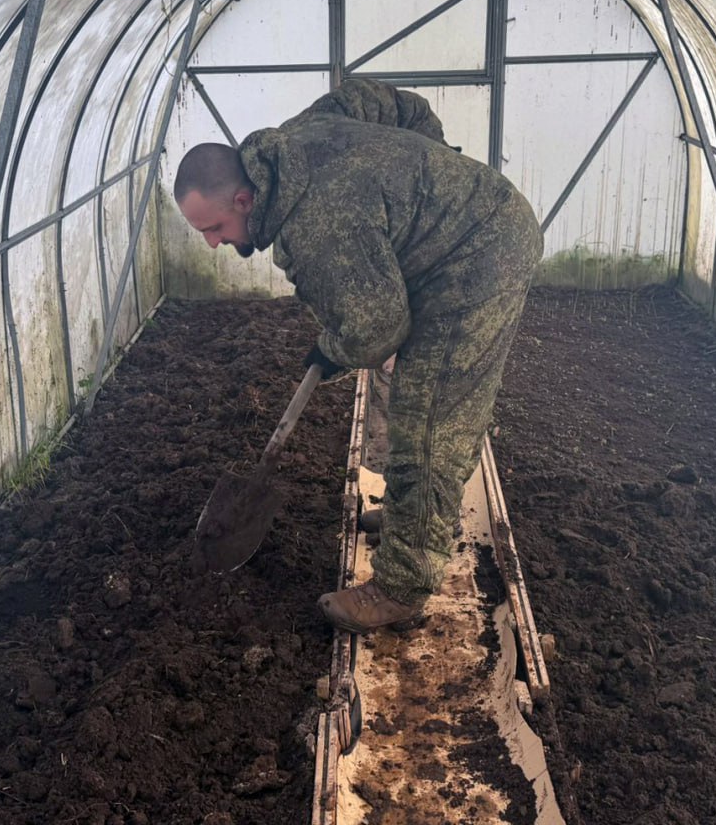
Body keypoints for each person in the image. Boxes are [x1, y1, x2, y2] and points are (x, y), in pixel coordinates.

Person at [174, 78, 543, 633]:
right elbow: (385, 102)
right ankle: (403, 513)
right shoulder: (298, 137)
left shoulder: (317, 226)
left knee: (430, 419)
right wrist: (427, 172)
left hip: (479, 255)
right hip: (452, 245)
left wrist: (330, 348)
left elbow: (376, 331)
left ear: (244, 199)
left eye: (215, 228)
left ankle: (400, 588)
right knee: (414, 398)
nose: (211, 242)